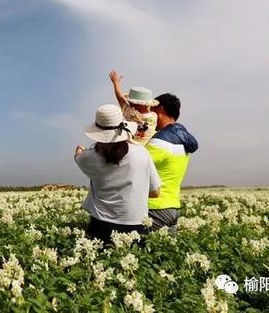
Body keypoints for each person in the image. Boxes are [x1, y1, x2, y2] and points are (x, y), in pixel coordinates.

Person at [74, 104, 161, 245]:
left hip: (100, 227)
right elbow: (155, 192)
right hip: (136, 226)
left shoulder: (87, 157)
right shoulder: (142, 154)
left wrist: (80, 151)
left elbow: (78, 157)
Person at [147, 93, 199, 233]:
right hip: (172, 207)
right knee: (167, 252)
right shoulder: (183, 140)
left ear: (160, 109)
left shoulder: (159, 142)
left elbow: (131, 165)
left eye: (151, 109)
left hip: (153, 208)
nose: (148, 114)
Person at [109, 70, 159, 146]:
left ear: (135, 104)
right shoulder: (154, 116)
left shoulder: (130, 112)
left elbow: (120, 98)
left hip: (129, 146)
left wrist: (116, 83)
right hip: (146, 149)